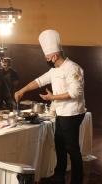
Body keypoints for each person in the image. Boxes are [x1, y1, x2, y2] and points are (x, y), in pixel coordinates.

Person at [15, 30, 86, 184]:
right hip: (61, 113)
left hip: (73, 113)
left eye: (47, 57)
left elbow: (75, 93)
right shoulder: (54, 70)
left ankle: (77, 180)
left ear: (54, 56)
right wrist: (22, 90)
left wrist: (51, 97)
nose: (46, 59)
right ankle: (59, 176)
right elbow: (39, 81)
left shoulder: (73, 68)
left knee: (72, 148)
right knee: (59, 144)